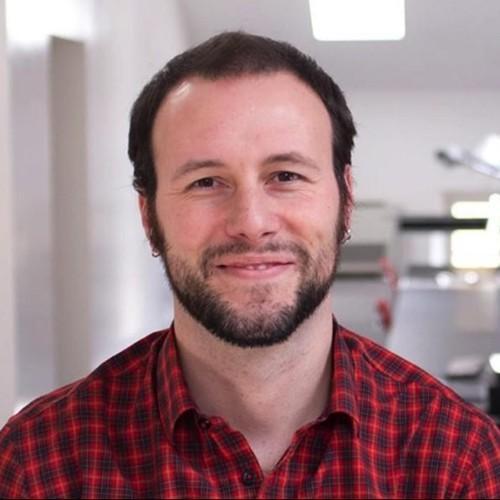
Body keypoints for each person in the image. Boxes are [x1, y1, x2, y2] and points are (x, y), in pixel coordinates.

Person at [1, 31, 499, 499]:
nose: (251, 223)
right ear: (148, 216)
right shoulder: (37, 467)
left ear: (346, 200)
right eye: (205, 182)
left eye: (286, 175)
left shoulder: (462, 460)